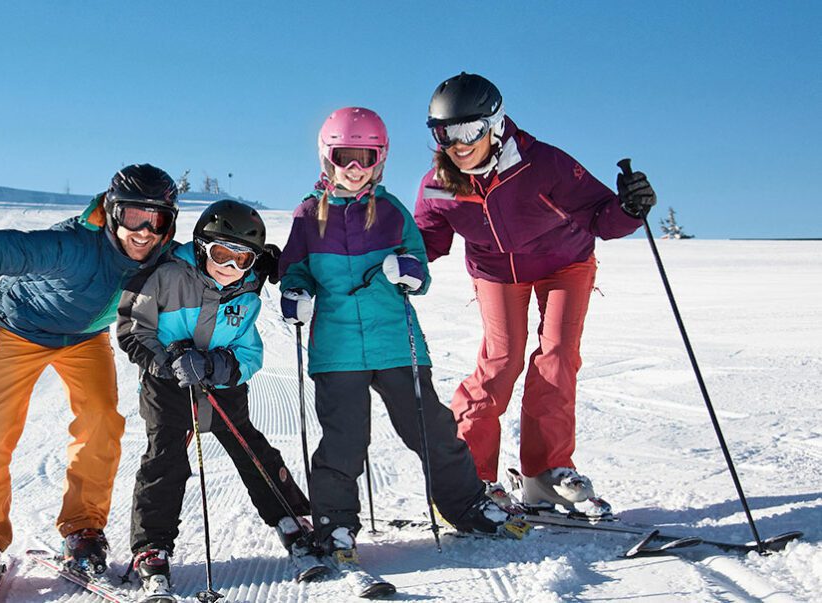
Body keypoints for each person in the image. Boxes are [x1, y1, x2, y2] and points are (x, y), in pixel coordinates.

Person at [0, 164, 181, 597]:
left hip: (84, 338)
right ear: (112, 212)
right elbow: (13, 250)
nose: (144, 231)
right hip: (18, 327)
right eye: (133, 216)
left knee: (103, 420)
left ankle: (83, 529)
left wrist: (258, 261)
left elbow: (209, 263)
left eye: (157, 219)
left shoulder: (166, 255)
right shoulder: (73, 244)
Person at [279, 107, 527, 563]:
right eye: (344, 157)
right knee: (345, 441)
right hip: (337, 351)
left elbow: (418, 264)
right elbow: (294, 270)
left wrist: (410, 272)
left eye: (365, 158)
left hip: (397, 342)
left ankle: (467, 505)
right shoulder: (307, 215)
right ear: (326, 157)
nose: (354, 170)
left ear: (381, 159)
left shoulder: (392, 211)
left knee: (431, 428)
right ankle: (334, 523)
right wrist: (295, 294)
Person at [413, 73, 657, 515]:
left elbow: (602, 217)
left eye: (469, 130)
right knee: (500, 364)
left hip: (565, 263)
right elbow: (425, 243)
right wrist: (394, 263)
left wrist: (629, 208)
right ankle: (470, 477)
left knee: (558, 355)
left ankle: (546, 474)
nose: (458, 144)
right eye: (445, 132)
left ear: (496, 123)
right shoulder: (438, 185)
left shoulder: (543, 163)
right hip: (496, 271)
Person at [116, 200, 311, 594]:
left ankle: (290, 517)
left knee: (249, 447)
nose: (230, 267)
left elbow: (251, 352)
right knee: (165, 457)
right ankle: (152, 545)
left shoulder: (248, 291)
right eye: (222, 254)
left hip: (221, 383)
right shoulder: (167, 274)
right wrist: (168, 360)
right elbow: (132, 328)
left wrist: (218, 367)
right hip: (167, 384)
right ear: (202, 246)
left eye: (242, 260)